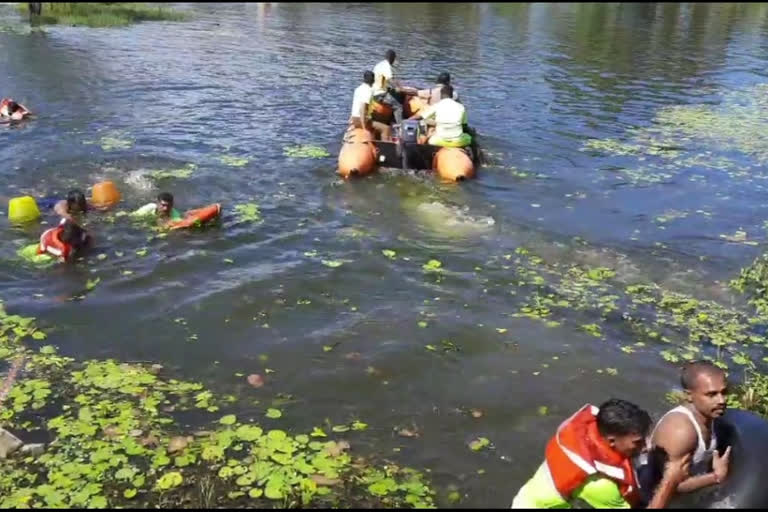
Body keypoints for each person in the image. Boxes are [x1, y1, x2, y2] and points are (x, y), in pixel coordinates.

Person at [511, 399, 691, 509]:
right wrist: (670, 481)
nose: (645, 447)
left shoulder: (593, 429)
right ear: (612, 441)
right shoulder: (600, 485)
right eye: (637, 442)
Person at [645, 361, 731, 496]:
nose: (721, 400)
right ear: (689, 395)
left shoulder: (710, 415)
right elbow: (665, 486)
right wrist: (716, 476)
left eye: (724, 392)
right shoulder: (680, 432)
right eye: (711, 394)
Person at [372, 49, 417, 126]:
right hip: (380, 94)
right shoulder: (386, 66)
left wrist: (398, 87)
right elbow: (390, 80)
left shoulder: (379, 65)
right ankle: (400, 126)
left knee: (399, 96)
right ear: (392, 58)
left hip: (378, 90)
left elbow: (385, 81)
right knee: (397, 106)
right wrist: (400, 88)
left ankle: (393, 118)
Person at [348, 70, 391, 141]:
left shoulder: (358, 89)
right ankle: (385, 148)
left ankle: (377, 139)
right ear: (373, 81)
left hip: (355, 118)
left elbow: (356, 105)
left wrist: (351, 118)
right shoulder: (368, 90)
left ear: (364, 79)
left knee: (378, 118)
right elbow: (362, 108)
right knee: (385, 128)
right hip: (360, 120)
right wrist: (364, 128)